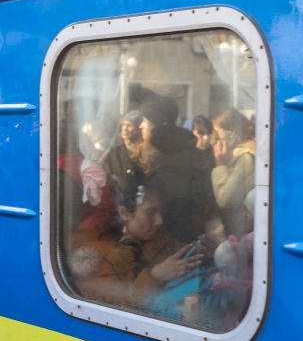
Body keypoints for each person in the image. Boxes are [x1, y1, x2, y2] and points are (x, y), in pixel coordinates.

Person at [76, 185, 206, 310]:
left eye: (161, 212)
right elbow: (115, 311)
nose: (160, 221)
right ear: (125, 213)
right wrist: (155, 276)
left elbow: (187, 258)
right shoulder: (97, 257)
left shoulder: (160, 237)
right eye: (150, 213)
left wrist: (205, 250)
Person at [210, 108, 256, 238]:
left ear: (231, 131)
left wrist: (220, 165)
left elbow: (225, 200)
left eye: (217, 133)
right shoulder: (237, 155)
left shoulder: (245, 158)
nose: (215, 139)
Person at [101, 110, 146, 198]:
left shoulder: (145, 147)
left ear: (138, 129)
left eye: (129, 125)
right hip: (117, 194)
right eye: (123, 124)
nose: (124, 128)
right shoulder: (112, 145)